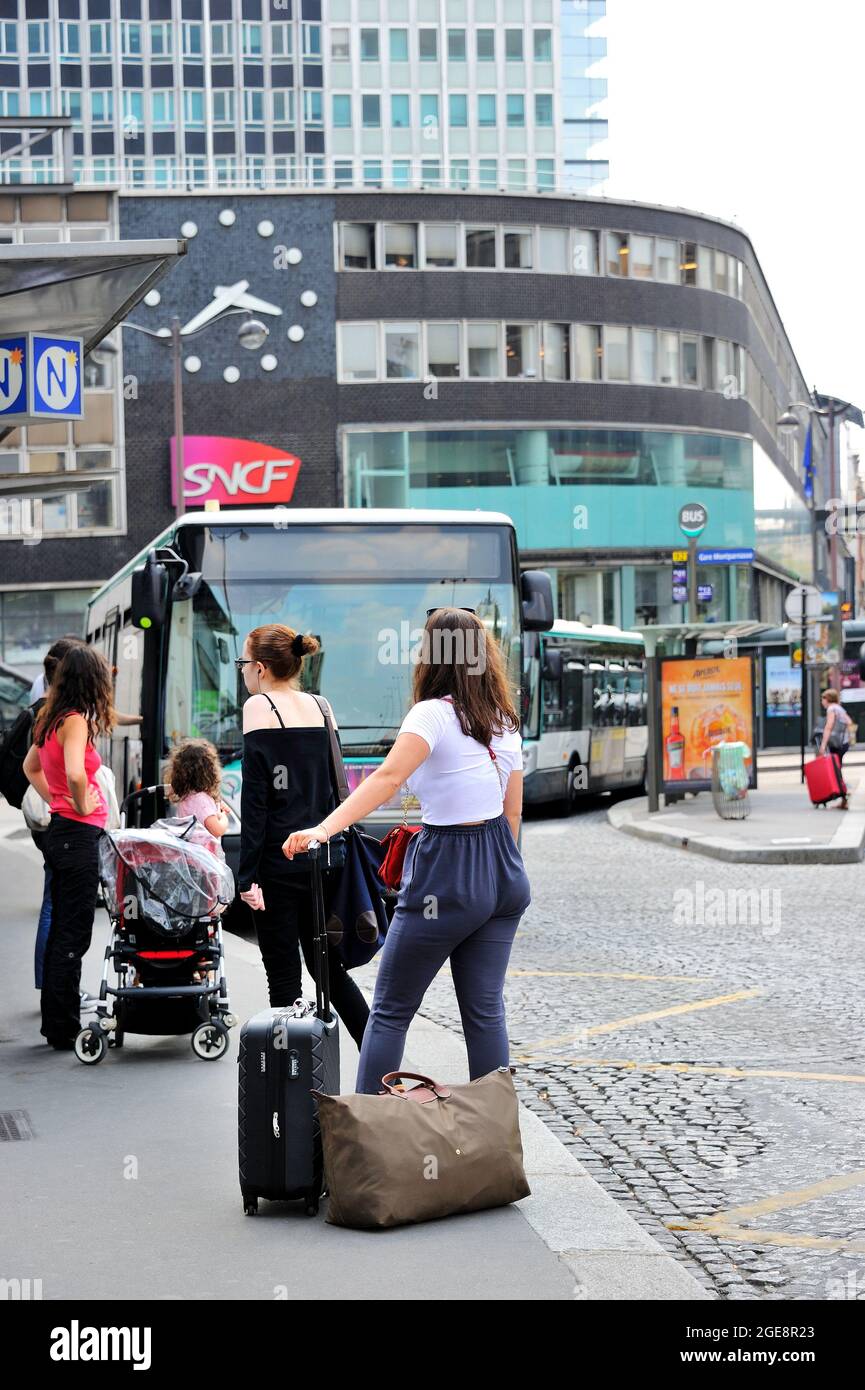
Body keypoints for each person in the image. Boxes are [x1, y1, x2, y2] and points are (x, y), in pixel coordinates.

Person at [284, 607, 531, 1096]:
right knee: (485, 1013)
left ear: (430, 655)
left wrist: (323, 829)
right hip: (505, 872)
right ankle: (496, 1142)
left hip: (450, 868)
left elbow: (389, 779)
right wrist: (493, 869)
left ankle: (369, 1141)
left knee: (392, 1010)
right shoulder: (503, 721)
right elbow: (513, 813)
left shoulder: (432, 714)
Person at [237, 624, 369, 1049]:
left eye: (243, 664)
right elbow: (335, 787)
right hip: (325, 857)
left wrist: (246, 877)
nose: (243, 673)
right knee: (329, 969)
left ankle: (292, 1087)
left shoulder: (259, 708)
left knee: (283, 979)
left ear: (259, 668)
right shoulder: (322, 705)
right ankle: (380, 1059)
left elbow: (256, 804)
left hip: (279, 863)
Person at [23, 645, 114, 1049]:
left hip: (61, 832)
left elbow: (31, 768)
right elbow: (77, 773)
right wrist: (78, 801)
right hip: (77, 835)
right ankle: (63, 1028)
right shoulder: (75, 721)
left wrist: (56, 800)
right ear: (90, 681)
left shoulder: (50, 717)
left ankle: (56, 1023)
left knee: (63, 927)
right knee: (73, 935)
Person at [166, 737, 231, 845]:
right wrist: (223, 816)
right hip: (203, 858)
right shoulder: (201, 800)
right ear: (209, 772)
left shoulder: (187, 797)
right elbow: (217, 829)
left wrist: (216, 806)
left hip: (191, 856)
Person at [819, 688, 854, 810]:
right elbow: (849, 722)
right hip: (843, 743)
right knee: (837, 768)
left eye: (823, 699)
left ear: (828, 699)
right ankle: (843, 798)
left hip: (836, 744)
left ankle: (844, 793)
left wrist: (823, 745)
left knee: (835, 769)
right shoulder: (839, 708)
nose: (822, 701)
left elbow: (828, 727)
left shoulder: (831, 708)